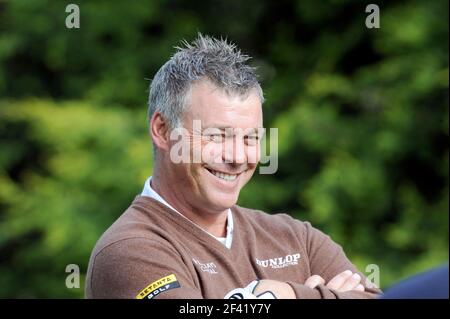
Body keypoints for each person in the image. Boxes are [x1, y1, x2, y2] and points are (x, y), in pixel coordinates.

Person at [85, 34, 382, 299]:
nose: (238, 157)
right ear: (163, 131)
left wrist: (286, 292)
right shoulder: (128, 251)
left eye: (251, 137)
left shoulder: (295, 237)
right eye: (217, 135)